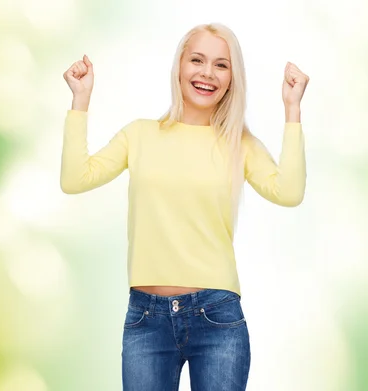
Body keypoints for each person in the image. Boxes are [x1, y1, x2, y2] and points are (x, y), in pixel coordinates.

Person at [59, 23, 309, 391]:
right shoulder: (139, 134)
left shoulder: (239, 143)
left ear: (231, 79)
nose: (207, 73)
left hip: (218, 317)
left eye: (221, 65)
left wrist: (292, 109)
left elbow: (289, 192)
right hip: (146, 317)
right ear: (179, 66)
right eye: (197, 60)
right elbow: (74, 179)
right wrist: (80, 100)